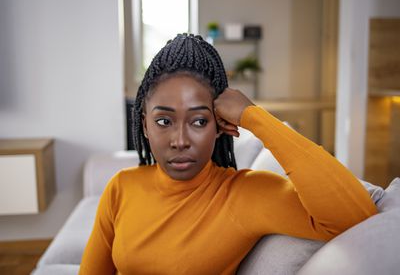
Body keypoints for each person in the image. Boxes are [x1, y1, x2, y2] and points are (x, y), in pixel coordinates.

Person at [79, 33, 377, 274]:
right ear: (144, 124)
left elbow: (358, 216)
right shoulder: (121, 187)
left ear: (220, 125)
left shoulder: (245, 195)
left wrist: (255, 118)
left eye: (198, 121)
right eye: (164, 121)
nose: (180, 140)